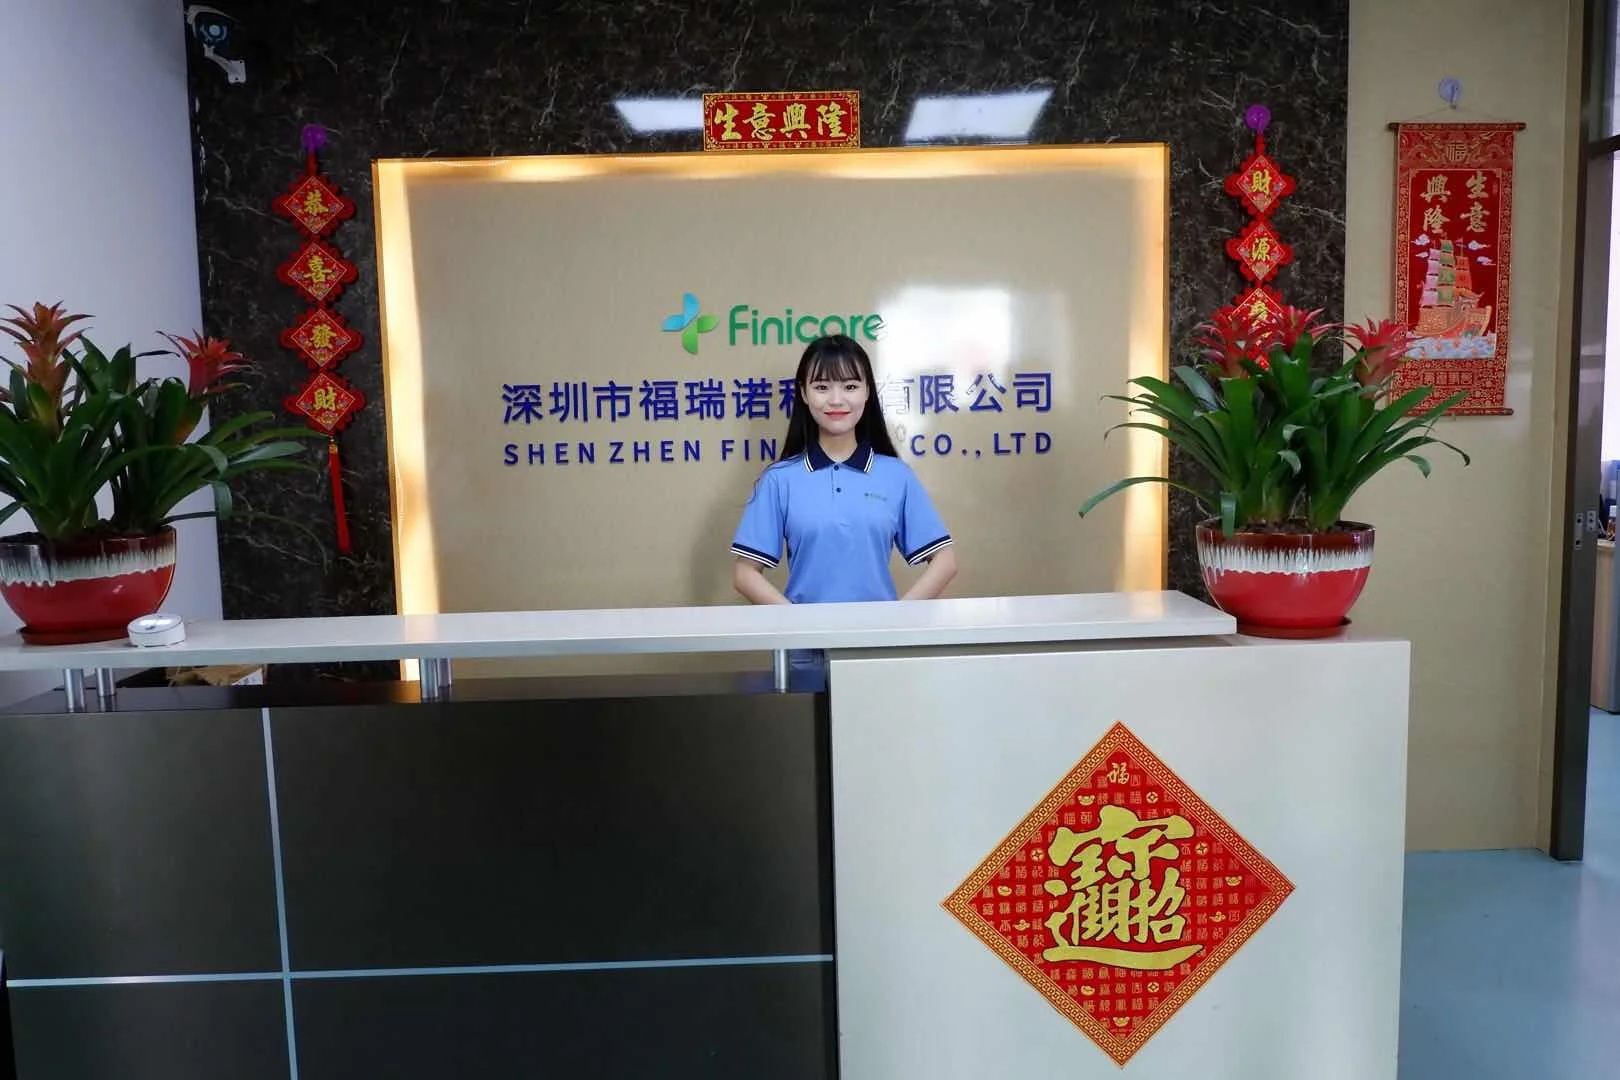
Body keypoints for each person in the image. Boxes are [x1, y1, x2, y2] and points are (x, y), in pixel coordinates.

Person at [731, 334, 958, 606]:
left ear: (867, 391)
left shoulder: (897, 476)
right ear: (803, 393)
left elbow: (945, 561)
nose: (836, 400)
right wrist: (797, 622)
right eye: (822, 387)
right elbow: (745, 574)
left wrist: (896, 618)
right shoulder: (779, 480)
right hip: (805, 634)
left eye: (850, 386)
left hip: (877, 633)